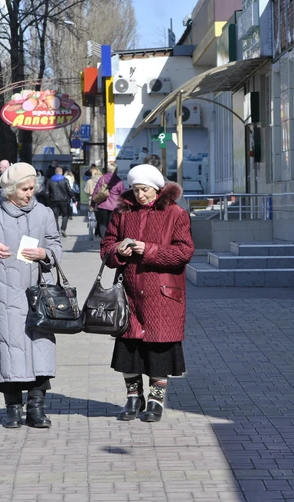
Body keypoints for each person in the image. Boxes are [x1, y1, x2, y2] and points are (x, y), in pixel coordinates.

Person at [0, 162, 62, 429]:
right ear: (10, 189)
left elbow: (55, 243)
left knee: (40, 349)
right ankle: (12, 408)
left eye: (32, 188)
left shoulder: (43, 213)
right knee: (7, 349)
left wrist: (46, 254)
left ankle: (37, 408)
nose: (30, 193)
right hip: (3, 293)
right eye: (24, 189)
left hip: (38, 294)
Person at [100, 164, 194, 423]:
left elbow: (183, 253)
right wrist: (119, 251)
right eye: (135, 189)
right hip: (129, 294)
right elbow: (106, 246)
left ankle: (155, 401)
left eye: (144, 190)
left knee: (158, 353)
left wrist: (148, 250)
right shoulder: (122, 213)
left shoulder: (176, 214)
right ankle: (133, 397)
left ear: (156, 188)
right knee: (128, 351)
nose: (140, 195)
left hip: (162, 295)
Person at [91, 161, 124, 238]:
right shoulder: (119, 181)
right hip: (114, 207)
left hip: (102, 205)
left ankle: (103, 240)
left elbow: (96, 191)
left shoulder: (102, 179)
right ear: (116, 170)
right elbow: (122, 194)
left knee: (102, 224)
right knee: (112, 224)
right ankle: (110, 240)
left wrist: (92, 203)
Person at [46, 166, 72, 237]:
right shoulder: (65, 180)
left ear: (55, 172)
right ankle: (63, 229)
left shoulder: (50, 180)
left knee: (55, 216)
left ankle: (57, 231)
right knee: (65, 215)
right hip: (64, 200)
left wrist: (48, 201)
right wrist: (73, 198)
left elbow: (47, 192)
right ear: (61, 172)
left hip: (53, 201)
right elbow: (69, 190)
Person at [84, 166, 102, 237]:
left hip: (93, 201)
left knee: (92, 218)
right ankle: (100, 231)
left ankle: (94, 232)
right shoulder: (103, 179)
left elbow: (86, 191)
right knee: (101, 218)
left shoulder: (90, 181)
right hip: (102, 200)